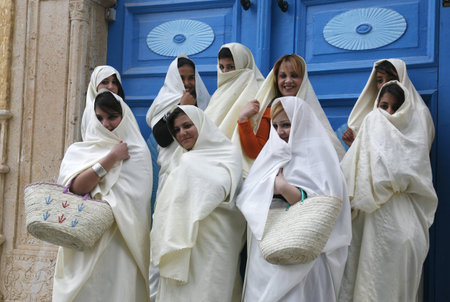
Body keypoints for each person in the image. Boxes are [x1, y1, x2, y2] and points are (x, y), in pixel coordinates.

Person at [237, 96, 351, 301]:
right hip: (269, 247)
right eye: (276, 125)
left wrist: (282, 187)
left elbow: (324, 202)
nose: (280, 131)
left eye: (287, 124)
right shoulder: (270, 154)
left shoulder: (318, 155)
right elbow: (248, 194)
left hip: (304, 249)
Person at [338, 79, 438, 301]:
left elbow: (408, 174)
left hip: (403, 224)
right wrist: (359, 147)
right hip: (368, 224)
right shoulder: (371, 123)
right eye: (384, 106)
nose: (388, 113)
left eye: (396, 107)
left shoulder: (413, 138)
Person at [52, 89, 152, 301]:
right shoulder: (80, 150)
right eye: (99, 118)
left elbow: (136, 200)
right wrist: (110, 159)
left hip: (122, 240)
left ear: (123, 116)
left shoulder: (138, 151)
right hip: (85, 239)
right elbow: (77, 188)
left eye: (112, 117)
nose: (106, 124)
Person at [150, 106, 246, 301]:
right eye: (176, 130)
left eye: (187, 126)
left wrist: (193, 170)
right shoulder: (180, 158)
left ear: (201, 124)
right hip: (181, 245)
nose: (182, 133)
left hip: (216, 242)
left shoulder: (227, 153)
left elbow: (222, 189)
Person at [236, 54, 345, 176]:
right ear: (276, 80)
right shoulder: (270, 112)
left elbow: (327, 152)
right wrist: (243, 120)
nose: (288, 81)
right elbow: (255, 151)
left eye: (294, 75)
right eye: (283, 76)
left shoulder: (312, 110)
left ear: (303, 79)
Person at [204, 42, 264, 139]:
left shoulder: (259, 88)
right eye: (221, 67)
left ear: (244, 64)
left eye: (231, 67)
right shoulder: (220, 92)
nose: (225, 72)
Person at [341, 59, 400, 146]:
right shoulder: (370, 114)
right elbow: (369, 153)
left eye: (391, 80)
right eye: (380, 81)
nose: (384, 84)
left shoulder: (418, 112)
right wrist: (353, 145)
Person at [80, 65, 125, 139]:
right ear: (95, 84)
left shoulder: (124, 108)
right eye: (105, 82)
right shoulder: (90, 109)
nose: (110, 86)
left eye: (114, 82)